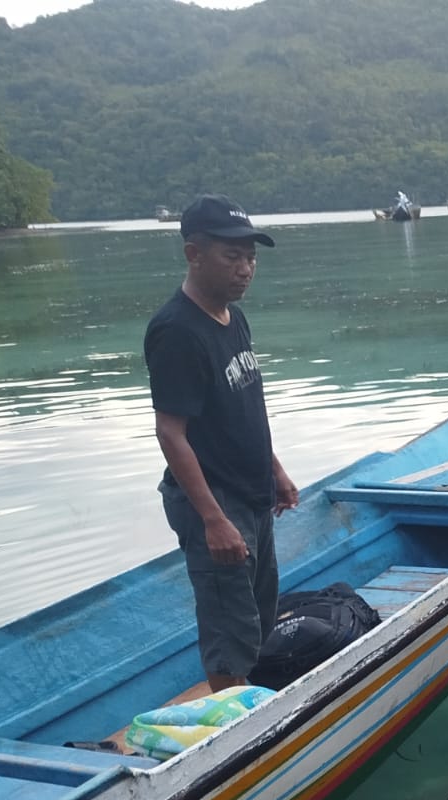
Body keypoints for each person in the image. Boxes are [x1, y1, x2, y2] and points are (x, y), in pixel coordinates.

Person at [146, 194, 298, 691]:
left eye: (250, 257)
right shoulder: (177, 332)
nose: (245, 268)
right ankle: (233, 732)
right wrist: (214, 520)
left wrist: (274, 470)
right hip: (216, 500)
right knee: (228, 629)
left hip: (251, 491)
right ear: (194, 253)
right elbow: (171, 432)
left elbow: (243, 407)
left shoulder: (233, 318)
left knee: (257, 614)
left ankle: (245, 699)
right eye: (232, 257)